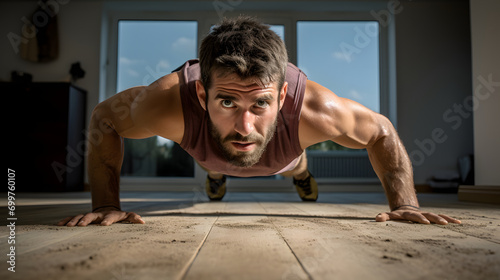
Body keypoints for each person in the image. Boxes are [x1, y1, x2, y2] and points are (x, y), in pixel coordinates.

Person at [58, 16, 461, 227]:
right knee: (215, 158)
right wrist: (106, 204)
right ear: (202, 94)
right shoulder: (163, 104)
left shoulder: (315, 111)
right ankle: (216, 175)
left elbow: (381, 131)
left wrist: (405, 205)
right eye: (227, 101)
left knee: (293, 163)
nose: (245, 125)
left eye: (261, 104)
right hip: (208, 153)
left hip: (283, 157)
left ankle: (301, 175)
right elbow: (104, 118)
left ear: (283, 96)